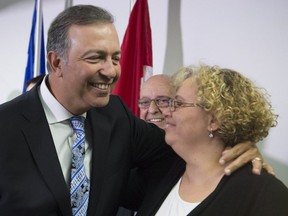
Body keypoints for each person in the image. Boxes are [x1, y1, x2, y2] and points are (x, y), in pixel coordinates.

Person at [0, 5, 265, 216]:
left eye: (115, 58)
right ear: (56, 61)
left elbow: (184, 149)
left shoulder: (116, 115)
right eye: (95, 58)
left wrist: (237, 145)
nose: (111, 71)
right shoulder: (5, 125)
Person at [132, 65, 288, 215]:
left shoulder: (264, 194)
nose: (166, 112)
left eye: (177, 103)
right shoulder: (162, 173)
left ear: (214, 120)